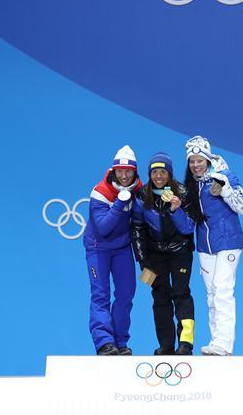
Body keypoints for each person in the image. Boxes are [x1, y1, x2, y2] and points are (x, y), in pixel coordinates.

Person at [183, 136, 243, 356]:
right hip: (205, 246)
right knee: (211, 294)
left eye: (199, 160)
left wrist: (225, 191)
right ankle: (216, 342)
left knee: (223, 290)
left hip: (228, 242)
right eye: (192, 161)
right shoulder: (192, 185)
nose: (196, 165)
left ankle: (224, 343)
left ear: (208, 159)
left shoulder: (225, 176)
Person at [131, 152, 196, 356]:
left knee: (181, 293)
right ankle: (166, 345)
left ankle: (185, 343)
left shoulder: (183, 193)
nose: (158, 176)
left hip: (180, 252)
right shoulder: (142, 195)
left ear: (169, 173)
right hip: (154, 255)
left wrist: (176, 209)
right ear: (149, 174)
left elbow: (188, 229)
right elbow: (137, 229)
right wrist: (142, 261)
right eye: (154, 172)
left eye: (163, 172)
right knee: (159, 297)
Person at [82, 146, 142, 355]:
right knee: (101, 295)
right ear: (114, 171)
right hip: (98, 248)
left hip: (122, 248)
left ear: (134, 172)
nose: (124, 176)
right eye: (120, 171)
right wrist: (119, 202)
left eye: (128, 171)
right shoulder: (100, 192)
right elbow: (103, 228)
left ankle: (120, 341)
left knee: (126, 294)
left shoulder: (139, 190)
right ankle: (104, 342)